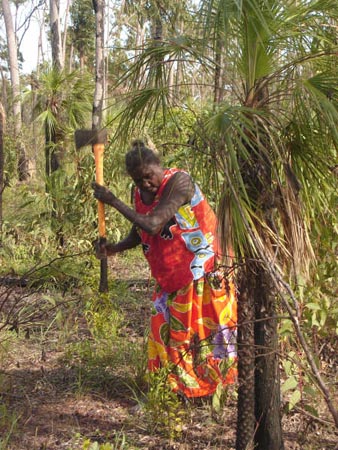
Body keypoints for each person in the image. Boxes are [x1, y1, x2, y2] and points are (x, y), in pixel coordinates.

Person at [92, 140, 237, 399]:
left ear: (159, 165)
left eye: (148, 176)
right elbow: (139, 232)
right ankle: (176, 390)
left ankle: (209, 391)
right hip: (169, 275)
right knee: (166, 335)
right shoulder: (137, 194)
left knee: (203, 335)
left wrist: (112, 201)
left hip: (201, 270)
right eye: (138, 180)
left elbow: (153, 225)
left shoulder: (179, 182)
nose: (145, 184)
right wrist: (113, 248)